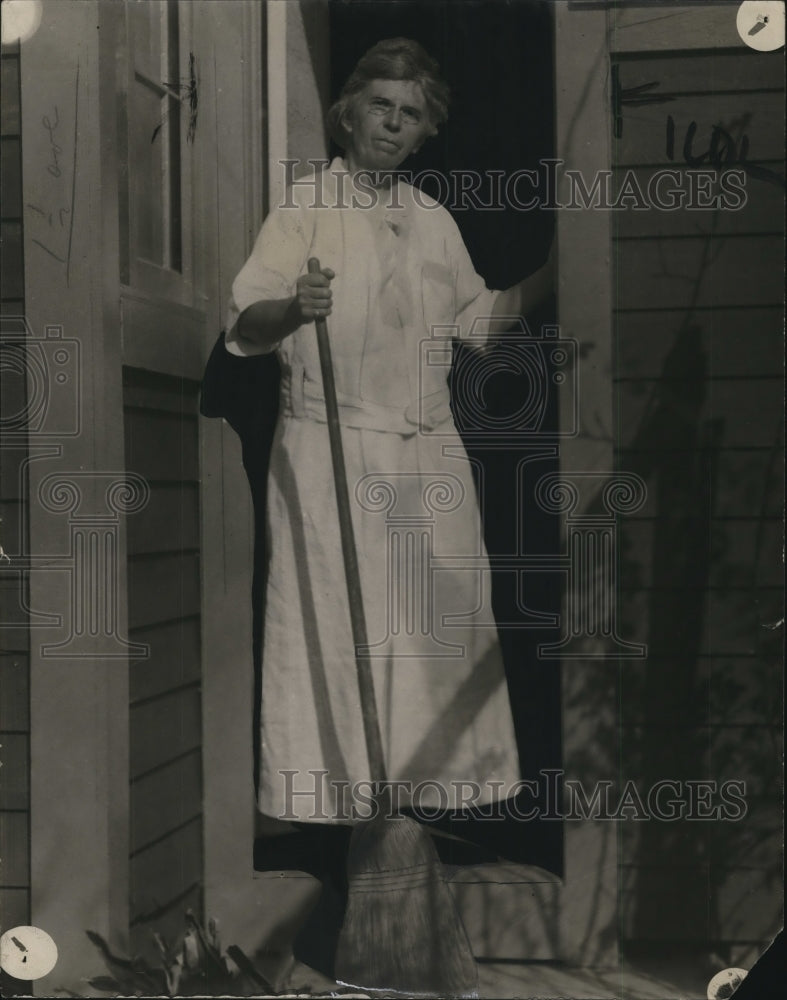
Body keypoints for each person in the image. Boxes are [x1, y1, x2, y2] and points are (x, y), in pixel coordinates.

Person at [224, 36, 554, 902]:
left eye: (411, 117)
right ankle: (346, 849)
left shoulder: (433, 219)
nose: (394, 125)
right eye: (382, 106)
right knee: (340, 639)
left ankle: (409, 841)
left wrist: (569, 267)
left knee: (428, 643)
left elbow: (483, 321)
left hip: (426, 458)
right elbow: (244, 327)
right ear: (350, 111)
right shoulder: (304, 209)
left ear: (422, 133)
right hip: (332, 452)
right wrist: (291, 305)